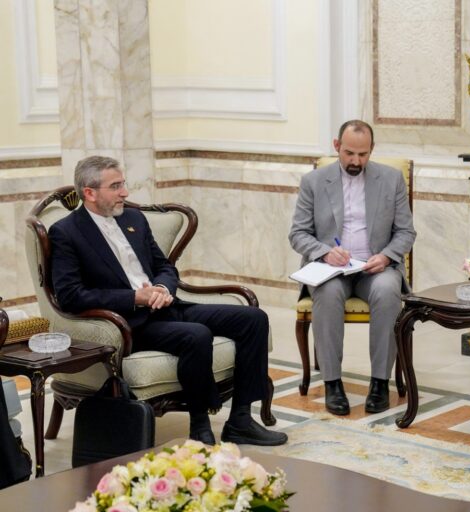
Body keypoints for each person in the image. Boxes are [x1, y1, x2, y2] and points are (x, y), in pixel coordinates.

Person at [49, 155, 287, 447]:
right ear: (90, 192)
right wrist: (134, 297)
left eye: (123, 184)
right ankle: (200, 424)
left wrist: (162, 287)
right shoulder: (66, 233)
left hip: (167, 306)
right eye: (116, 186)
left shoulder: (134, 219)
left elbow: (164, 266)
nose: (125, 192)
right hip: (128, 324)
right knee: (196, 335)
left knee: (253, 318)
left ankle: (240, 420)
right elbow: (71, 295)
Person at [289, 120, 416, 415]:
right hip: (331, 269)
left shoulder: (391, 179)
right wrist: (324, 252)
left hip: (376, 267)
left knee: (388, 290)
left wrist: (386, 257)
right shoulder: (314, 182)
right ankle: (332, 383)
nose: (356, 161)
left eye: (363, 154)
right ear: (337, 146)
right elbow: (298, 234)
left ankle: (380, 383)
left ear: (372, 150)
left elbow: (406, 232)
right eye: (349, 153)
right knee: (328, 292)